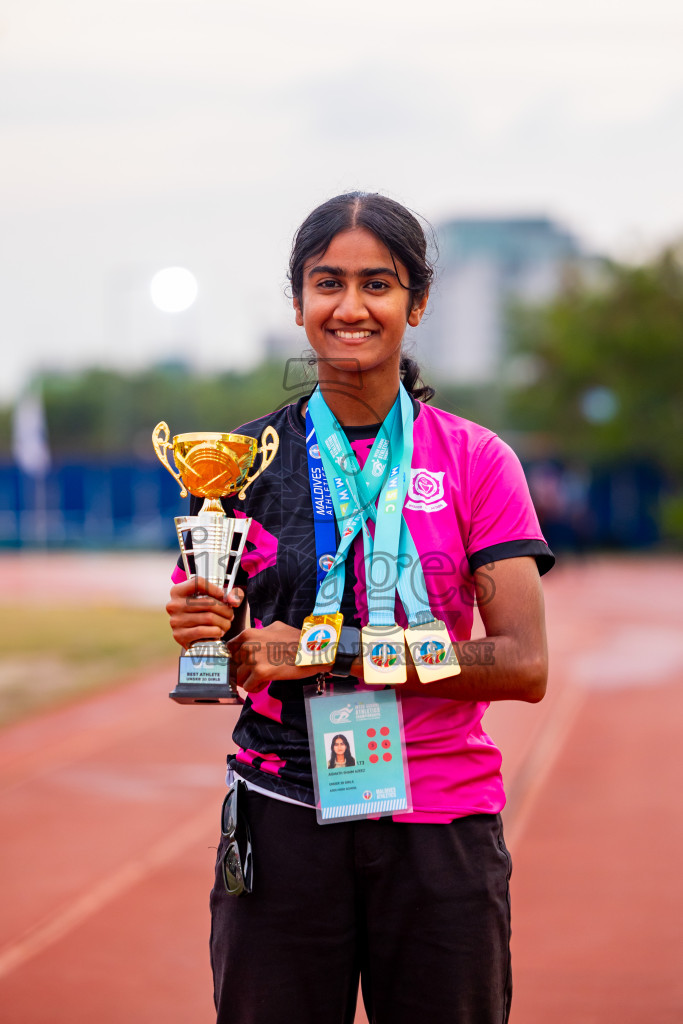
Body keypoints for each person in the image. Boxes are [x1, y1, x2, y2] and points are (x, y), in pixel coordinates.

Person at [165, 192, 554, 1024]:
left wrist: (327, 651)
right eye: (325, 283)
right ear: (297, 301)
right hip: (280, 817)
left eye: (376, 284)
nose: (349, 307)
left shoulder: (476, 460)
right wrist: (211, 636)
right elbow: (230, 653)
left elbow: (521, 663)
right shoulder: (236, 466)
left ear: (415, 304)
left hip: (439, 822)